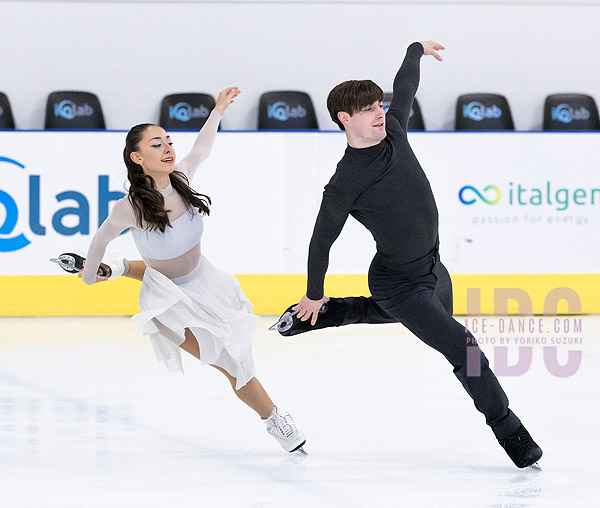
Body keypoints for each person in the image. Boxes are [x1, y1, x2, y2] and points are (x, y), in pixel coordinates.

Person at [273, 41, 542, 468]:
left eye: (378, 104)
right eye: (366, 109)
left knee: (427, 321)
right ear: (345, 118)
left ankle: (340, 312)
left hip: (433, 269)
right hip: (398, 282)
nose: (379, 111)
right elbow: (320, 239)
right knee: (463, 347)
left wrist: (415, 49)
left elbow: (405, 86)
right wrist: (311, 292)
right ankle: (510, 430)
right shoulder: (345, 181)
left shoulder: (393, 127)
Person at [79, 87, 305, 453]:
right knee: (228, 361)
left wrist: (217, 111)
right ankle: (274, 418)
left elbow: (201, 149)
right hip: (168, 301)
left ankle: (120, 268)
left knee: (238, 353)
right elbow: (101, 237)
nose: (167, 147)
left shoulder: (182, 177)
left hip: (206, 281)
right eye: (156, 144)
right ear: (137, 157)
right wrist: (89, 276)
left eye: (168, 140)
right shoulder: (130, 207)